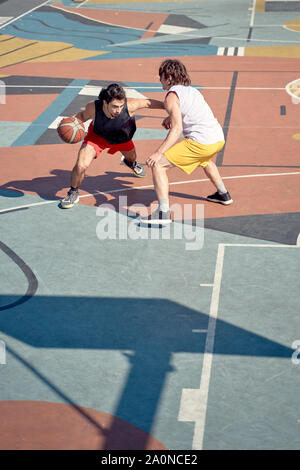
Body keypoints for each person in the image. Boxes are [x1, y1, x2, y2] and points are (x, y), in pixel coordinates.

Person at [141, 59, 233, 225]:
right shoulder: (192, 91)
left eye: (161, 76)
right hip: (218, 139)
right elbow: (191, 110)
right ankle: (223, 194)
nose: (159, 79)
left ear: (168, 77)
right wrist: (170, 116)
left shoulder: (171, 96)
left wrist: (158, 152)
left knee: (158, 165)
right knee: (205, 160)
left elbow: (177, 130)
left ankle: (163, 213)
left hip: (201, 143)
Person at [60, 83, 165, 209]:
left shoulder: (130, 105)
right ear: (105, 103)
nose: (118, 110)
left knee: (132, 157)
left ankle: (130, 163)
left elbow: (148, 103)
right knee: (81, 165)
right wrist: (68, 124)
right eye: (115, 107)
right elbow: (81, 116)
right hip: (97, 138)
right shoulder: (93, 107)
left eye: (121, 106)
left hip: (122, 138)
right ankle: (73, 192)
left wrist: (169, 108)